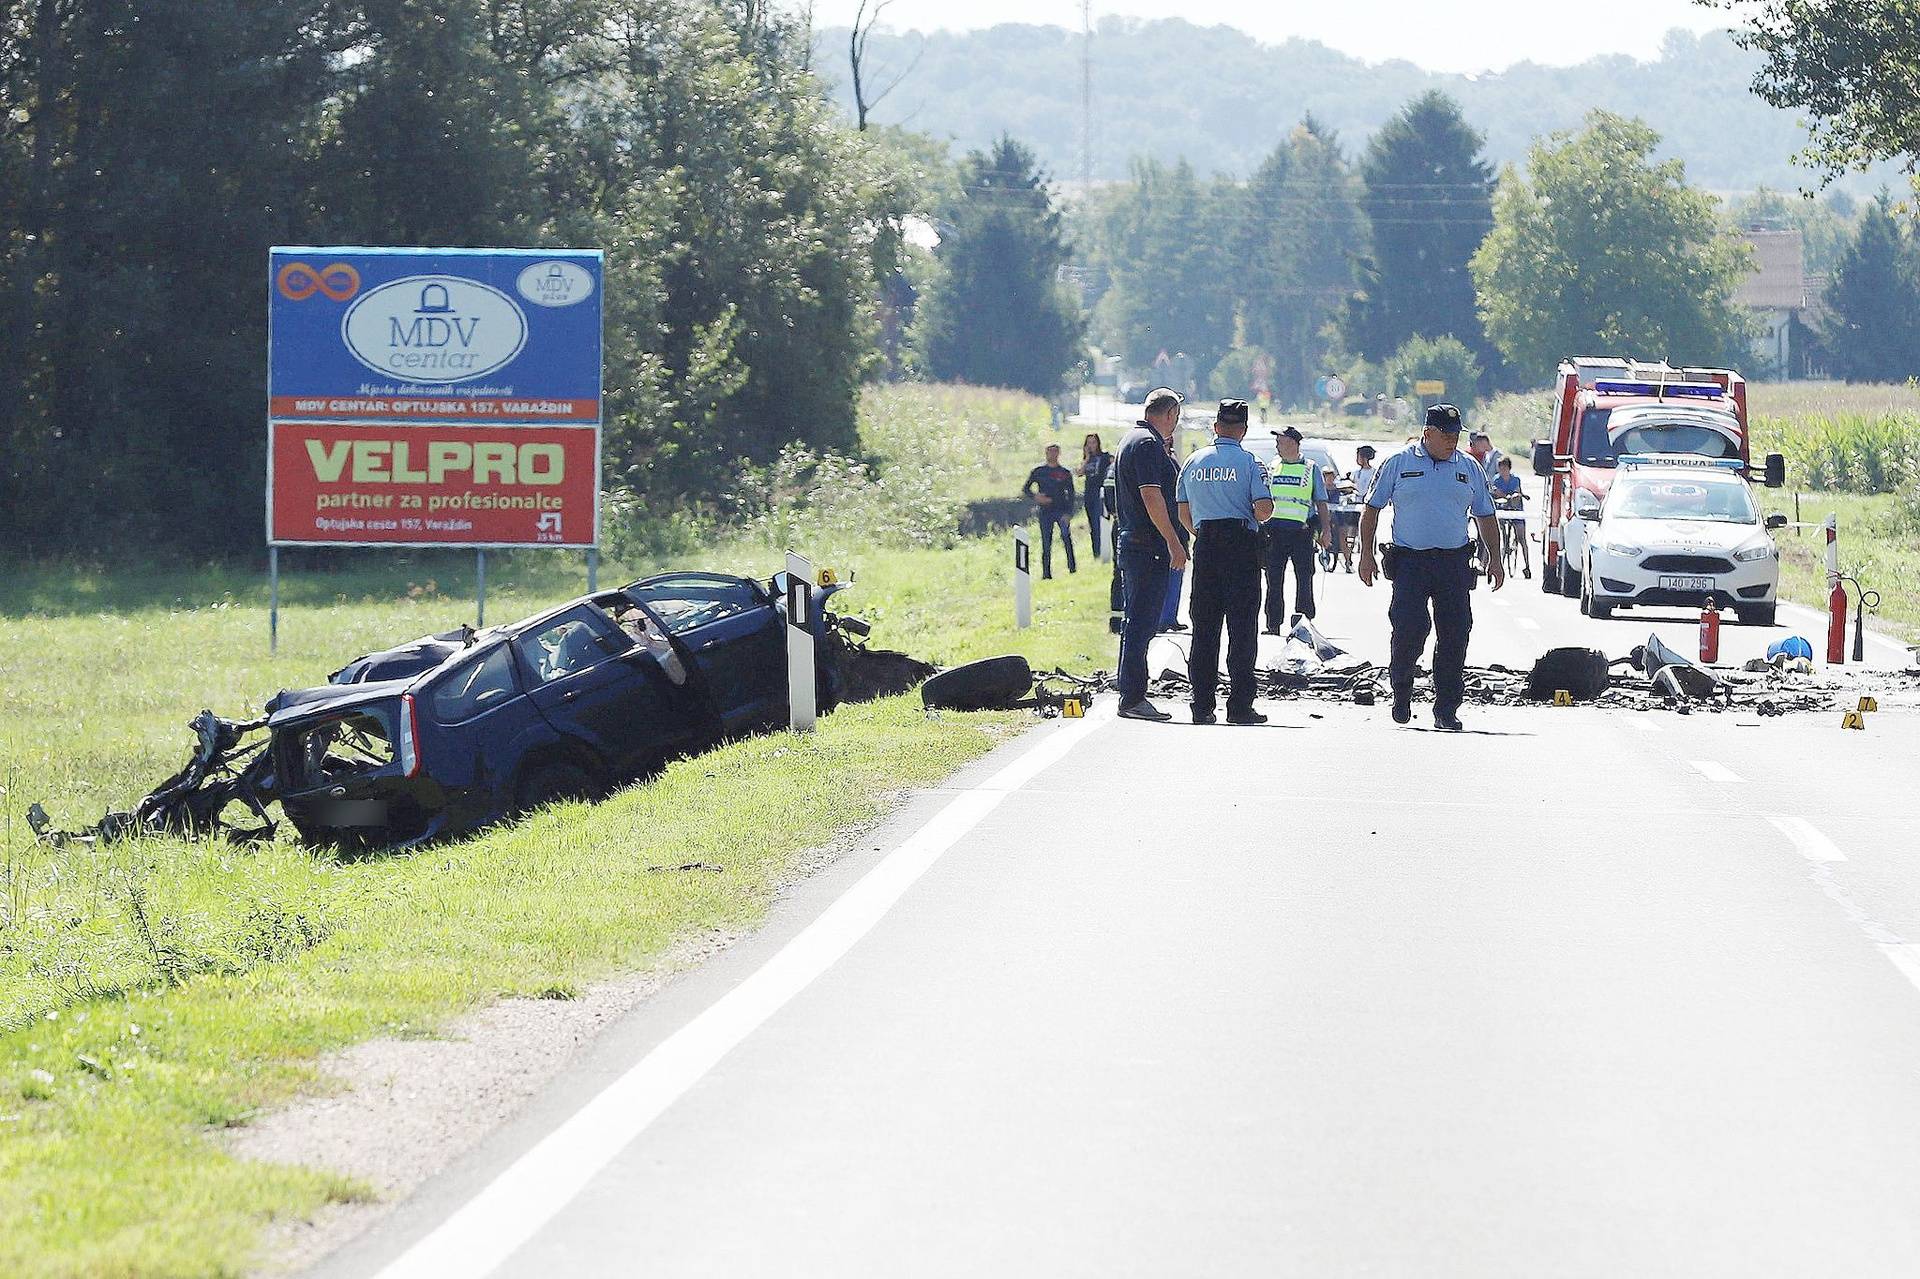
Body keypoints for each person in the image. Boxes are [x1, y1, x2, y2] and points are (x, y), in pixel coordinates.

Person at [1357, 404, 1504, 731]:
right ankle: (1402, 688)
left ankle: (1446, 708)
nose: (1452, 440)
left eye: (1456, 434)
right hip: (1410, 562)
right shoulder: (1398, 464)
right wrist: (1365, 554)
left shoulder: (1469, 468)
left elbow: (1485, 514)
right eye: (1446, 434)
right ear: (1428, 434)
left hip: (1453, 562)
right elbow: (1371, 509)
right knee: (1410, 630)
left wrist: (1495, 557)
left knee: (1455, 634)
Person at [1176, 400, 1275, 725]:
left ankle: (1201, 706)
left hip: (1206, 545)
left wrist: (1203, 532)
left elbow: (1183, 512)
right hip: (1240, 547)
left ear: (1216, 427)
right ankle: (1240, 706)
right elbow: (1263, 509)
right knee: (1243, 628)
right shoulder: (1250, 462)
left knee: (1204, 629)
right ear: (1243, 430)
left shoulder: (1193, 461)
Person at [1112, 388, 1189, 721]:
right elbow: (1152, 496)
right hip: (1148, 546)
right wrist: (1173, 541)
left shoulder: (1135, 439)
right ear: (1170, 414)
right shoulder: (1146, 445)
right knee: (1143, 622)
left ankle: (1128, 687)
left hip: (1136, 542)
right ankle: (1133, 697)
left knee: (1136, 621)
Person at [1262, 427, 1331, 632]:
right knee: (1273, 580)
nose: (1277, 446)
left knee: (1304, 577)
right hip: (1274, 531)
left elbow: (1321, 502)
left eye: (1280, 442)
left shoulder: (1311, 468)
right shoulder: (1273, 466)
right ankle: (1273, 623)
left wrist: (1326, 531)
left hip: (1302, 532)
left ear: (1293, 443)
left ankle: (1303, 624)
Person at [1022, 444, 1078, 579]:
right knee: (1046, 542)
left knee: (1066, 538)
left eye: (1055, 452)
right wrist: (1036, 497)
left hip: (1061, 510)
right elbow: (1026, 488)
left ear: (1059, 453)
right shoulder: (1039, 471)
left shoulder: (1064, 472)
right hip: (1045, 511)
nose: (1052, 454)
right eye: (1049, 452)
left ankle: (1072, 567)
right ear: (1046, 453)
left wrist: (1069, 513)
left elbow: (1071, 495)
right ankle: (1046, 573)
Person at [1490, 456, 1532, 579]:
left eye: (1504, 468)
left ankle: (1527, 566)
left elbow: (1517, 491)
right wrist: (1499, 494)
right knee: (1499, 534)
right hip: (1502, 509)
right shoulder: (1496, 480)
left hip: (1516, 510)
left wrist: (1514, 495)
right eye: (1500, 468)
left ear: (1509, 468)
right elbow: (1494, 492)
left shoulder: (1515, 479)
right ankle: (1498, 562)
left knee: (1521, 537)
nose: (1502, 471)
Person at [1077, 433, 1115, 558]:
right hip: (1089, 493)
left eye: (1093, 442)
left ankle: (1104, 550)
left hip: (1101, 492)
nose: (1091, 445)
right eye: (1089, 443)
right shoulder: (1087, 460)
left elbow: (1114, 465)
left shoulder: (1105, 457)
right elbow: (1079, 473)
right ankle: (1096, 553)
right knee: (1092, 524)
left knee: (1100, 521)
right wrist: (1087, 457)